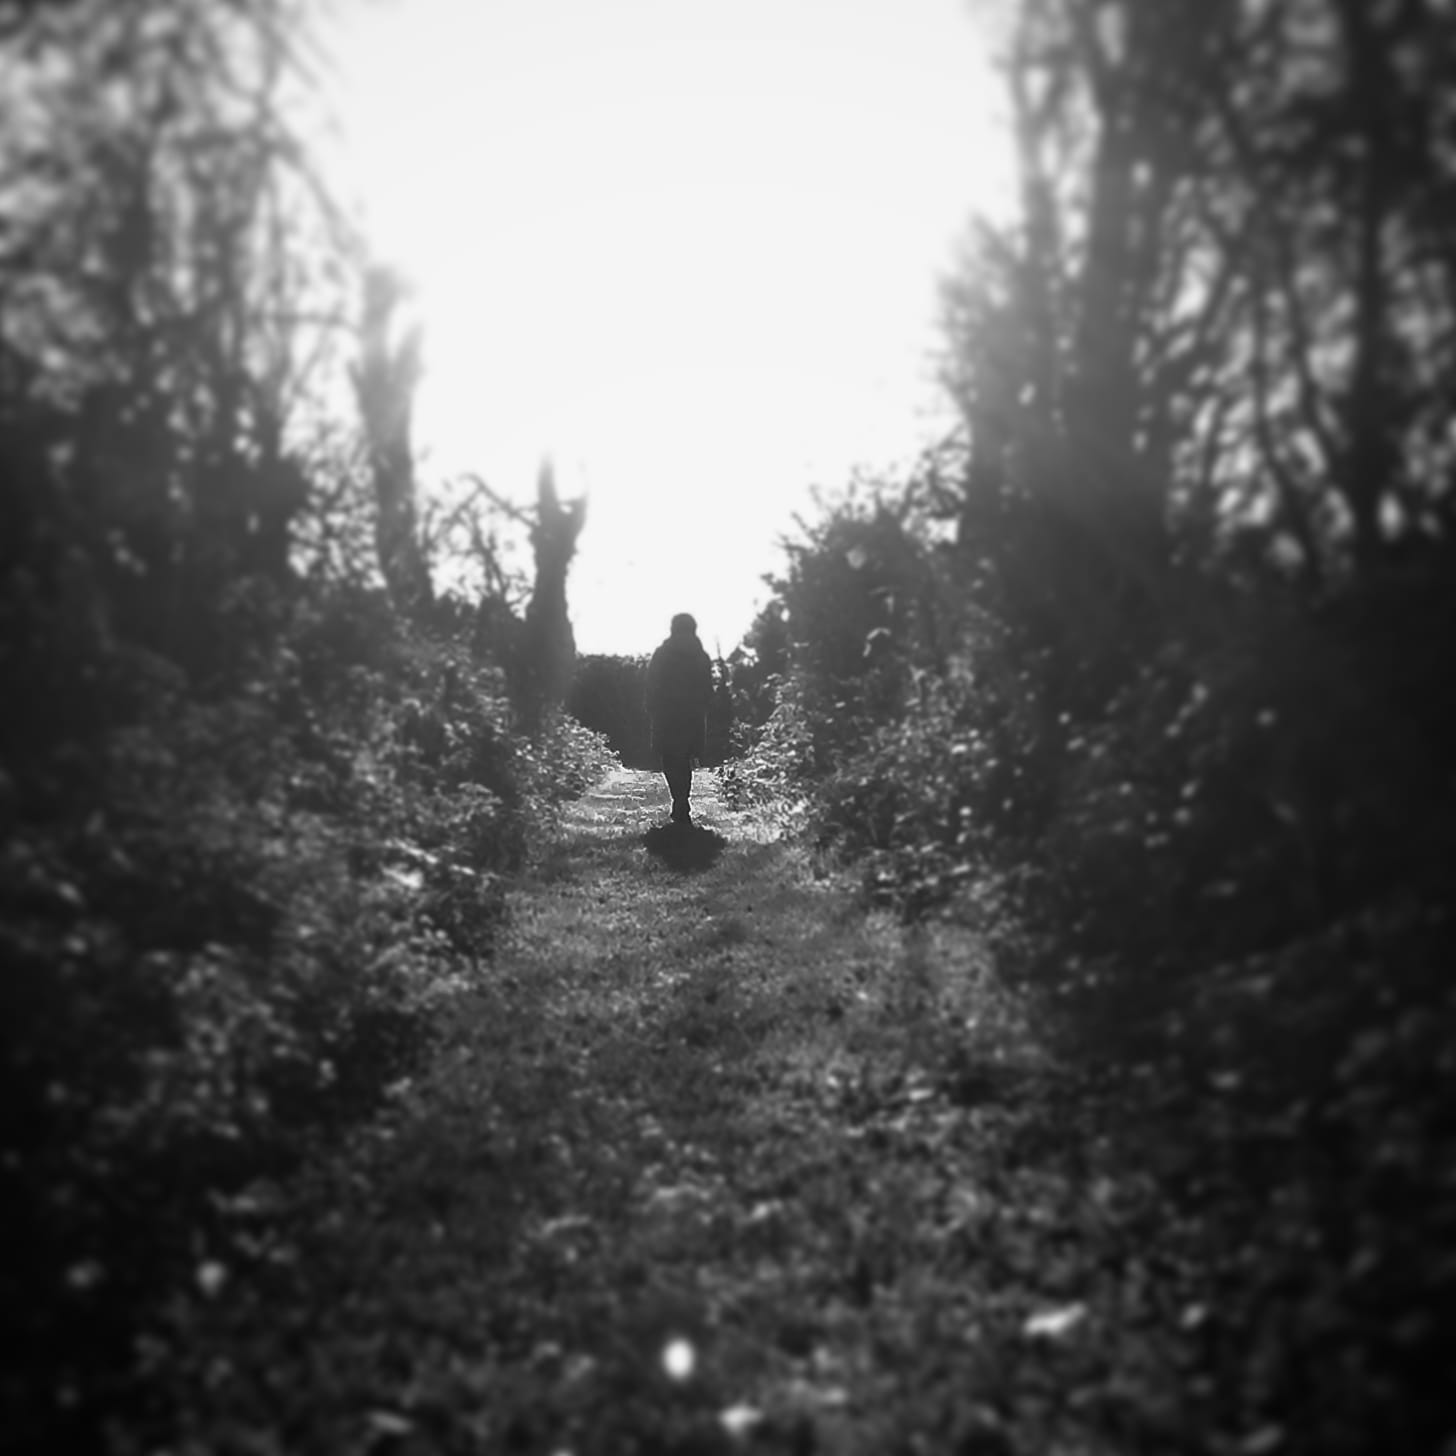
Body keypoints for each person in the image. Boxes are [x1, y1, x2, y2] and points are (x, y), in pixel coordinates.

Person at [645, 612, 713, 825]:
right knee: (685, 759)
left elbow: (652, 681)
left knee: (671, 759)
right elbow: (707, 688)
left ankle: (679, 800)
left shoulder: (662, 653)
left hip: (667, 714)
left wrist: (651, 706)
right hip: (691, 714)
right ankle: (682, 801)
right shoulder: (700, 655)